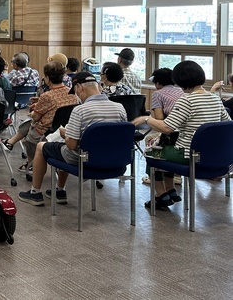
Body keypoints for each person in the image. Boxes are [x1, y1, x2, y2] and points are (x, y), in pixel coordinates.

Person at [18, 72, 127, 206]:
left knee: (43, 146)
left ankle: (35, 193)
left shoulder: (80, 110)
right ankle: (59, 190)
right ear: (98, 86)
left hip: (84, 160)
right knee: (63, 146)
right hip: (114, 160)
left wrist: (66, 134)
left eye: (75, 91)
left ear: (79, 88)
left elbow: (71, 145)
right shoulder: (120, 108)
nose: (76, 95)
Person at [133, 61, 229, 210]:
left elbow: (166, 127)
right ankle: (170, 190)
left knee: (152, 152)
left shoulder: (187, 100)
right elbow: (228, 125)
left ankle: (160, 195)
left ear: (180, 80)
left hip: (189, 155)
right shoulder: (215, 98)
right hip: (214, 156)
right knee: (166, 147)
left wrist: (145, 119)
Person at [2, 61, 78, 168]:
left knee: (30, 123)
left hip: (46, 130)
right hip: (63, 127)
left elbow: (35, 116)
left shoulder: (47, 96)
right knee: (29, 123)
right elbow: (58, 105)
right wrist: (39, 102)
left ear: (47, 77)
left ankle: (32, 164)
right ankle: (11, 142)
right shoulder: (70, 92)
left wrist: (34, 109)